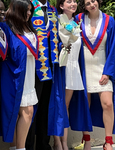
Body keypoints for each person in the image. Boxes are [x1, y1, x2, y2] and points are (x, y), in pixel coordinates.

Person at [69, 0, 115, 150]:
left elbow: (113, 47)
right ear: (84, 6)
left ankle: (108, 142)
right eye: (87, 3)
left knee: (107, 103)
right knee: (84, 105)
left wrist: (108, 72)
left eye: (93, 0)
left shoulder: (108, 20)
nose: (92, 4)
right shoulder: (78, 19)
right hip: (84, 69)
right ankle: (86, 140)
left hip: (102, 66)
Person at [25, 0, 70, 150]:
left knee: (46, 107)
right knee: (31, 107)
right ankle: (29, 145)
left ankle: (43, 145)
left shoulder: (52, 10)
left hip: (50, 67)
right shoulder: (29, 5)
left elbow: (54, 36)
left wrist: (62, 46)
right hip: (33, 66)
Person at [0, 0, 39, 150]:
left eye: (30, 10)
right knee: (22, 113)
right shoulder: (6, 28)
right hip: (14, 76)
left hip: (28, 75)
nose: (29, 13)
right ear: (17, 10)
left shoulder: (28, 26)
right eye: (26, 10)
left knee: (24, 113)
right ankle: (19, 148)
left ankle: (16, 148)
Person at [54, 0, 84, 150]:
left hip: (73, 67)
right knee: (58, 105)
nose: (73, 4)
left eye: (74, 1)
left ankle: (63, 142)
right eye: (68, 1)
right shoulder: (57, 21)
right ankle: (58, 142)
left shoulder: (77, 22)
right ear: (61, 5)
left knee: (65, 106)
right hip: (61, 67)